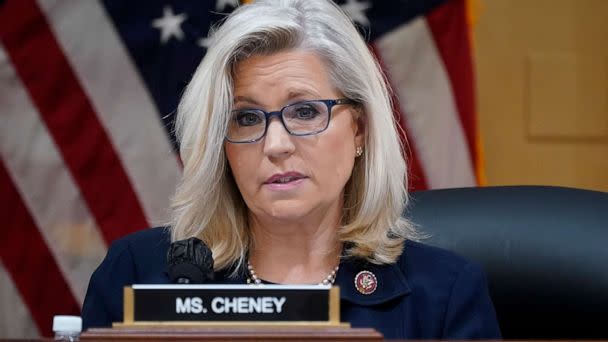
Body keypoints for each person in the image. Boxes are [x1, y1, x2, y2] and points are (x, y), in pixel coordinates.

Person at [81, 0, 501, 339]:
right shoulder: (138, 274)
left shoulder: (445, 295)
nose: (276, 145)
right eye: (246, 118)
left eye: (304, 111)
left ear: (359, 129)